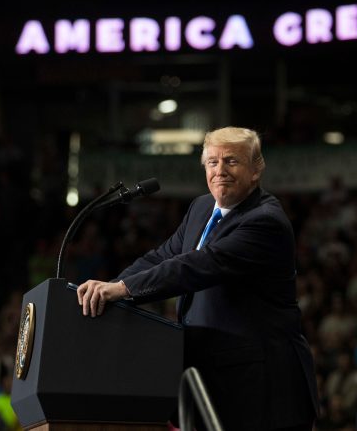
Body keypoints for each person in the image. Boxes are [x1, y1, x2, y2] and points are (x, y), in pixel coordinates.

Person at [77, 126, 318, 430]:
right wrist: (110, 287)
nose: (221, 171)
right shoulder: (202, 207)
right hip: (211, 379)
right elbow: (164, 256)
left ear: (256, 170)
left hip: (262, 385)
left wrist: (123, 289)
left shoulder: (265, 220)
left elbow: (199, 265)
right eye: (213, 162)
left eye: (232, 161)